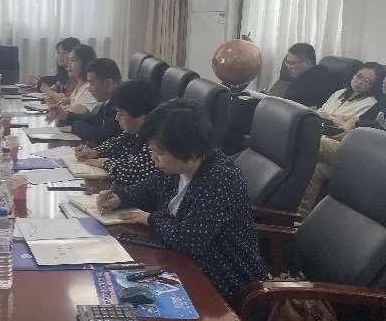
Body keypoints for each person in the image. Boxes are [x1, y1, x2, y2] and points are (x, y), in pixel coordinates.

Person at [96, 98, 267, 300]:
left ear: (189, 150)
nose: (153, 158)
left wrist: (150, 219)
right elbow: (151, 188)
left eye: (159, 153)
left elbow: (188, 240)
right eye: (152, 150)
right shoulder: (180, 166)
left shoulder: (221, 179)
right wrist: (119, 198)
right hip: (183, 262)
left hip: (222, 279)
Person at [297, 62, 386, 216]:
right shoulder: (341, 93)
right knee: (319, 167)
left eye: (367, 81)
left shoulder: (374, 103)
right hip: (334, 138)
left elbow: (354, 128)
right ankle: (297, 217)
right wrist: (347, 123)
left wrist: (346, 125)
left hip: (356, 151)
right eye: (359, 76)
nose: (359, 82)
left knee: (313, 142)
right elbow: (356, 122)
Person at [75, 80, 160, 187]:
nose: (116, 117)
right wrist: (95, 152)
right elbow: (114, 144)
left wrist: (105, 162)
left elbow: (133, 174)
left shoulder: (155, 140)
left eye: (121, 113)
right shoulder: (132, 133)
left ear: (141, 116)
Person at [65, 58, 124, 144]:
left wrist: (76, 126)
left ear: (108, 83)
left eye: (92, 83)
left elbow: (102, 135)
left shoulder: (121, 104)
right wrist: (66, 116)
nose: (89, 89)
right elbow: (93, 119)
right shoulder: (109, 101)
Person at [265, 43, 334, 108]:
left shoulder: (311, 83)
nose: (288, 67)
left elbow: (290, 107)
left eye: (292, 63)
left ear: (307, 62)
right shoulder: (305, 76)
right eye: (287, 62)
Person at [45, 44, 98, 115]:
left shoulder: (90, 88)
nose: (68, 64)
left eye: (73, 60)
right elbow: (71, 107)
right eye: (69, 60)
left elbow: (78, 113)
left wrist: (56, 108)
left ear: (85, 62)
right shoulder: (79, 85)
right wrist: (56, 104)